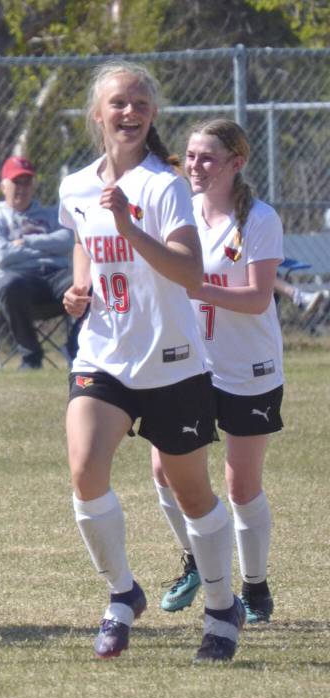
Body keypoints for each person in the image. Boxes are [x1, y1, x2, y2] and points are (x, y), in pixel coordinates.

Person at [60, 61, 242, 663]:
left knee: (193, 495)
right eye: (118, 103)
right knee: (86, 470)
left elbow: (190, 273)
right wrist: (79, 287)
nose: (130, 112)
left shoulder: (164, 187)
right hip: (105, 357)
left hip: (172, 364)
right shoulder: (76, 185)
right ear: (98, 114)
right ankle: (120, 595)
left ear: (152, 114)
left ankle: (221, 606)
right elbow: (87, 242)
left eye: (140, 103)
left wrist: (129, 228)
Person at [153, 119, 283, 625]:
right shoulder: (179, 214)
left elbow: (255, 299)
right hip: (190, 366)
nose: (195, 166)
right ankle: (195, 561)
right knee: (165, 470)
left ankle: (255, 586)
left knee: (241, 486)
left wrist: (195, 286)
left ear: (236, 163)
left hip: (250, 367)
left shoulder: (258, 219)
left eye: (207, 158)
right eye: (190, 156)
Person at [0, 156, 76, 368]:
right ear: (3, 186)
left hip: (56, 276)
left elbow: (69, 240)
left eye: (27, 182)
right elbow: (0, 254)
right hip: (19, 281)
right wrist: (47, 245)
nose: (22, 188)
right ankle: (31, 356)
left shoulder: (51, 214)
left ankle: (76, 348)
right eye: (16, 182)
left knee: (88, 282)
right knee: (11, 286)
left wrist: (27, 241)